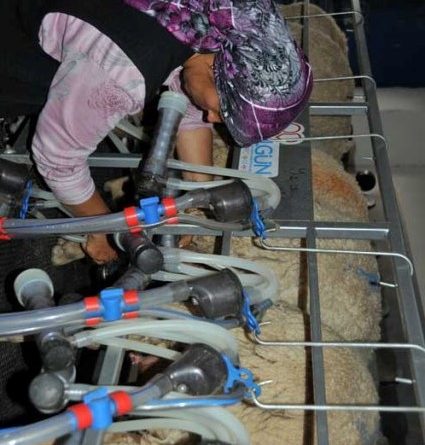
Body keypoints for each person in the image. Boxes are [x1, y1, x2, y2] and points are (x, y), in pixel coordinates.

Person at [0, 0, 312, 264]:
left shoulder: (198, 20)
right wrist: (104, 229)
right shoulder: (124, 72)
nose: (213, 118)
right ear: (218, 70)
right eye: (222, 110)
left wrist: (197, 197)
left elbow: (189, 103)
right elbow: (57, 160)